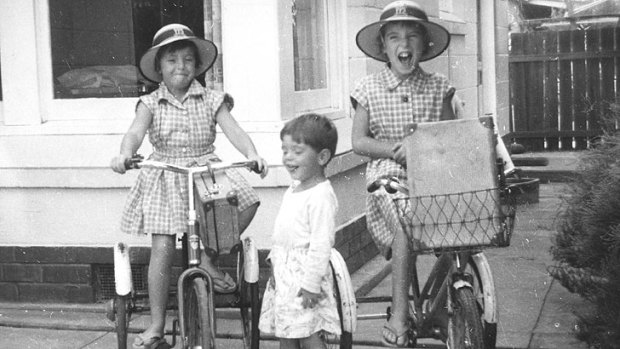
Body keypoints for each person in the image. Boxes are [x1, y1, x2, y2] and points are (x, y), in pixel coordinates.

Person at [110, 23, 268, 349]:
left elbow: (233, 130)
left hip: (204, 168)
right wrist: (125, 153)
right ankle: (156, 325)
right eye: (171, 60)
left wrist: (251, 153)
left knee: (248, 200)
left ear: (197, 66)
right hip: (166, 174)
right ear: (158, 68)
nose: (180, 67)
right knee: (163, 248)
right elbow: (135, 133)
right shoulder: (151, 102)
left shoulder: (212, 99)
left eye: (187, 60)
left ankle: (209, 256)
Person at [350, 1, 456, 347]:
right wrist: (397, 147)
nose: (404, 45)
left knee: (463, 216)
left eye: (412, 36)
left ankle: (447, 302)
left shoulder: (440, 86)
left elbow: (446, 134)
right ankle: (398, 312)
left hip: (432, 171)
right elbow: (358, 142)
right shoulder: (368, 88)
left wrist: (422, 146)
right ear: (383, 46)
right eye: (394, 37)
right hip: (388, 173)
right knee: (404, 217)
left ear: (425, 44)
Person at [259, 113, 341, 349]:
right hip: (285, 276)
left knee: (307, 332)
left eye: (297, 151)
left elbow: (321, 244)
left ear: (322, 156)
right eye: (285, 150)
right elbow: (282, 233)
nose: (288, 158)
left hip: (305, 278)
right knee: (287, 331)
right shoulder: (295, 188)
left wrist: (311, 284)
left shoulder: (320, 195)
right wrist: (275, 265)